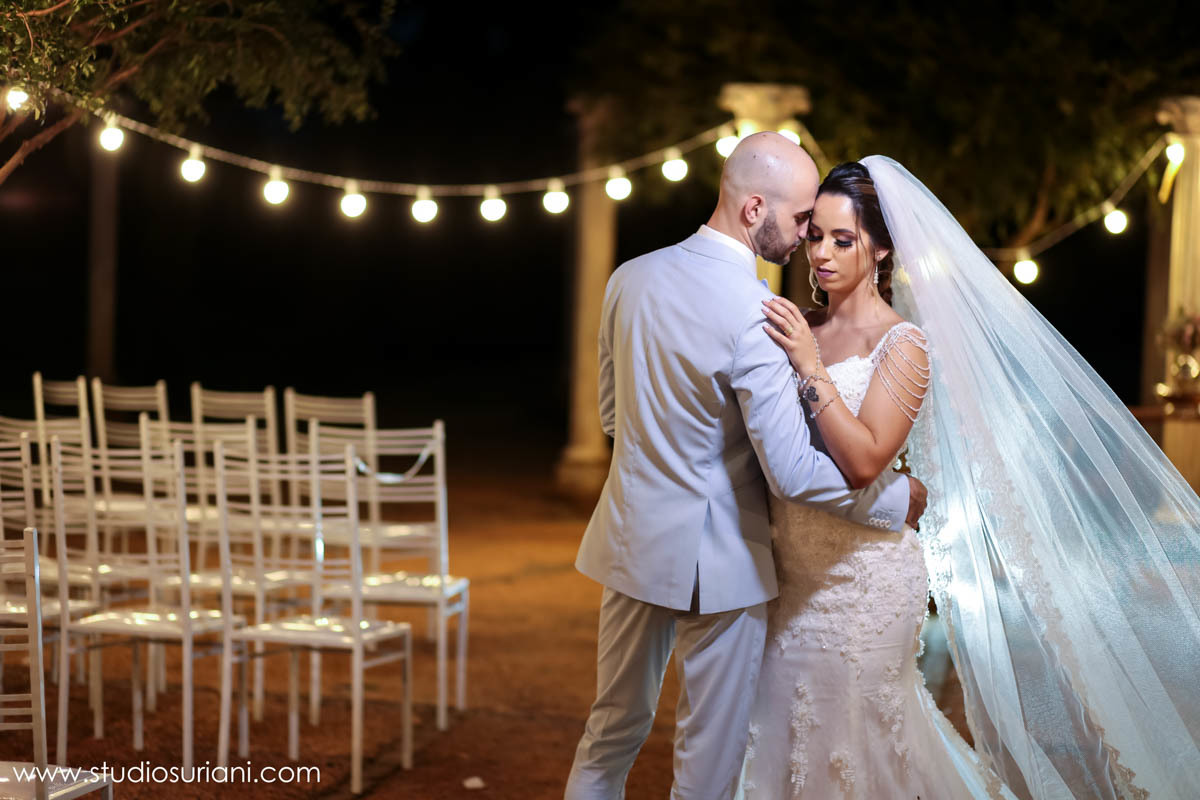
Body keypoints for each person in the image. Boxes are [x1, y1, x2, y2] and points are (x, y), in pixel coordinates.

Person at [745, 156, 1200, 799]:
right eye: (815, 234)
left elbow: (866, 459)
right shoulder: (801, 325)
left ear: (880, 249)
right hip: (791, 576)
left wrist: (807, 366)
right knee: (784, 738)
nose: (821, 252)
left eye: (843, 239)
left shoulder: (903, 344)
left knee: (861, 742)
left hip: (865, 583)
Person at [564, 134, 927, 800]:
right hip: (722, 562)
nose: (805, 245)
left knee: (607, 739)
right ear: (754, 208)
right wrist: (891, 498)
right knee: (708, 764)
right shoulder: (756, 314)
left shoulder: (627, 279)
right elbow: (790, 471)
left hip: (630, 542)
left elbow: (612, 419)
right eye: (799, 225)